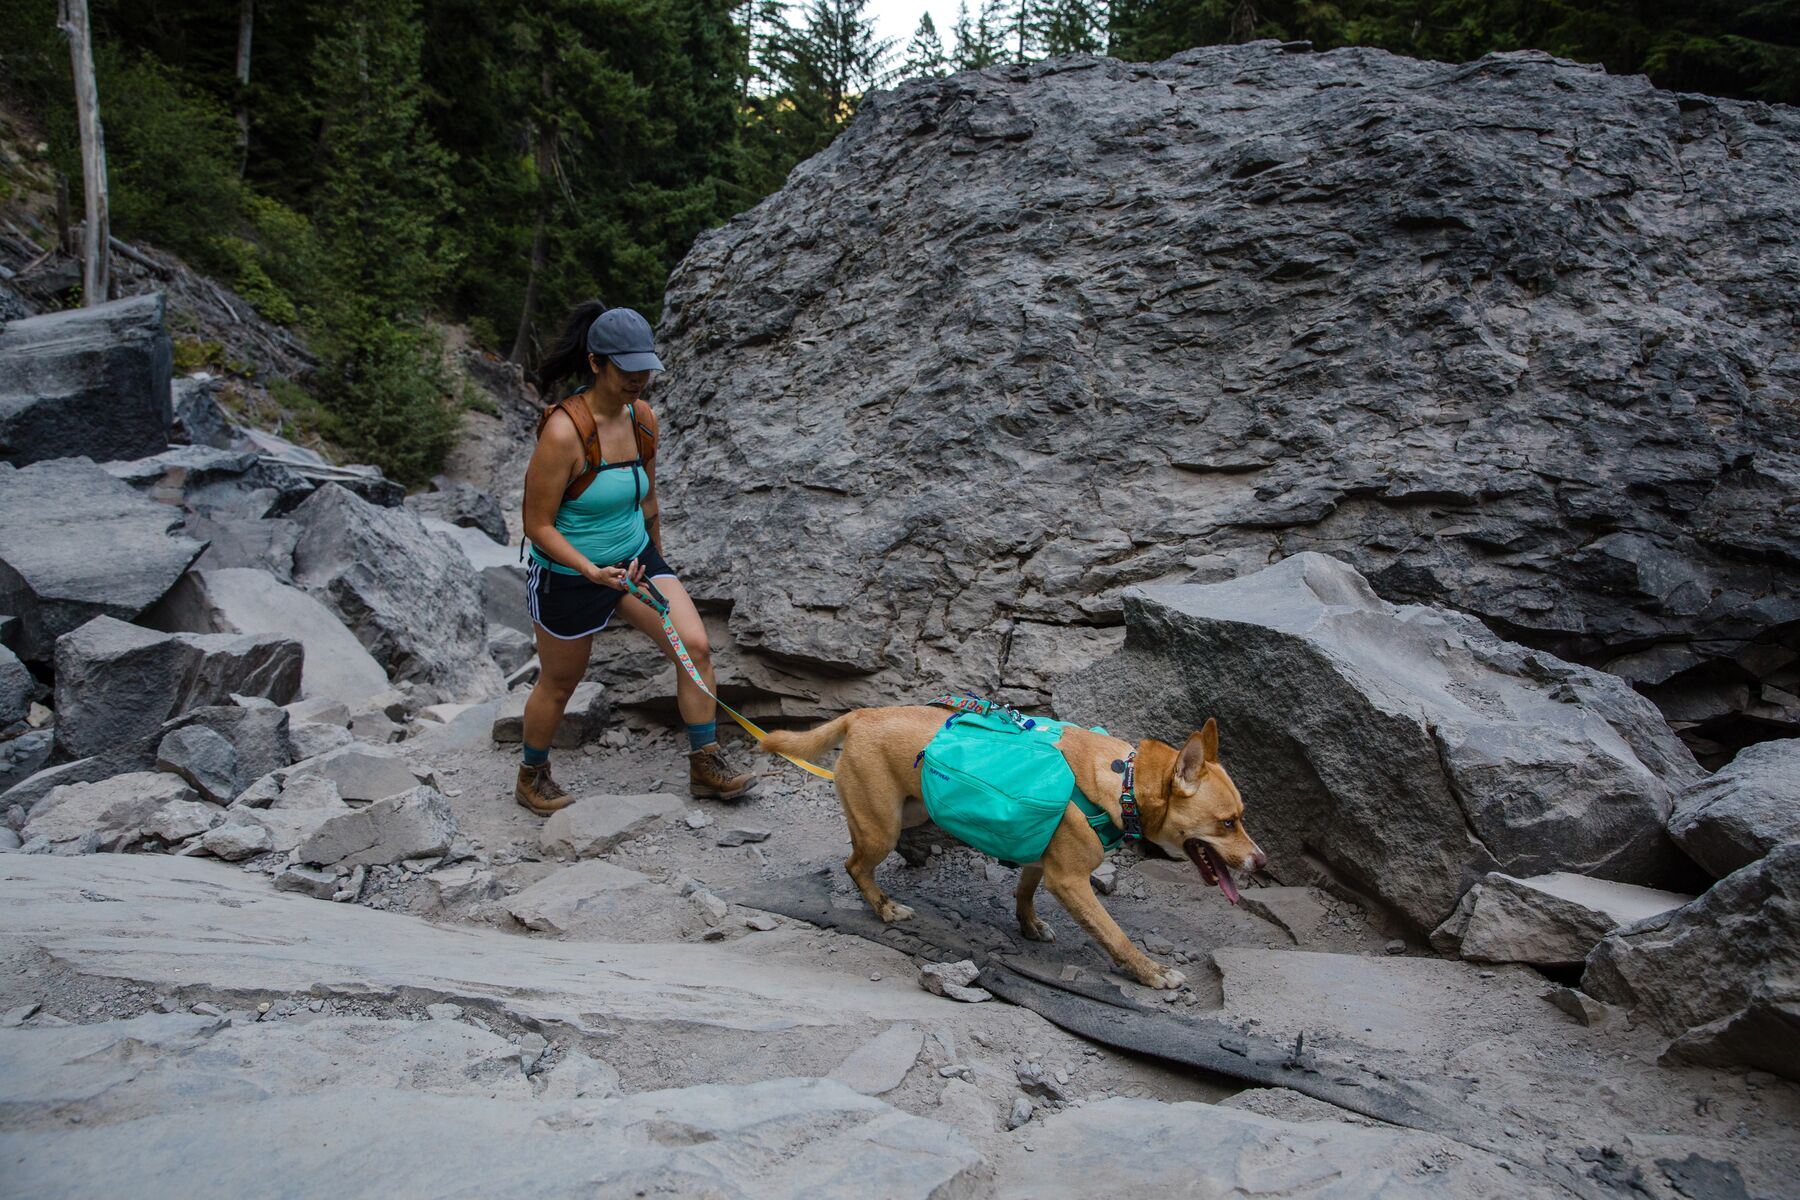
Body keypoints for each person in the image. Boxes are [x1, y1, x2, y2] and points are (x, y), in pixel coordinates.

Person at [514, 301, 757, 815]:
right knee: (560, 683)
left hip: (635, 561)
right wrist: (588, 570)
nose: (639, 380)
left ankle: (704, 762)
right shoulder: (563, 432)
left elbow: (647, 498)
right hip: (569, 574)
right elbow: (536, 527)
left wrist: (659, 565)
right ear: (596, 362)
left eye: (644, 368)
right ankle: (532, 773)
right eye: (627, 370)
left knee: (696, 648)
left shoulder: (643, 419)